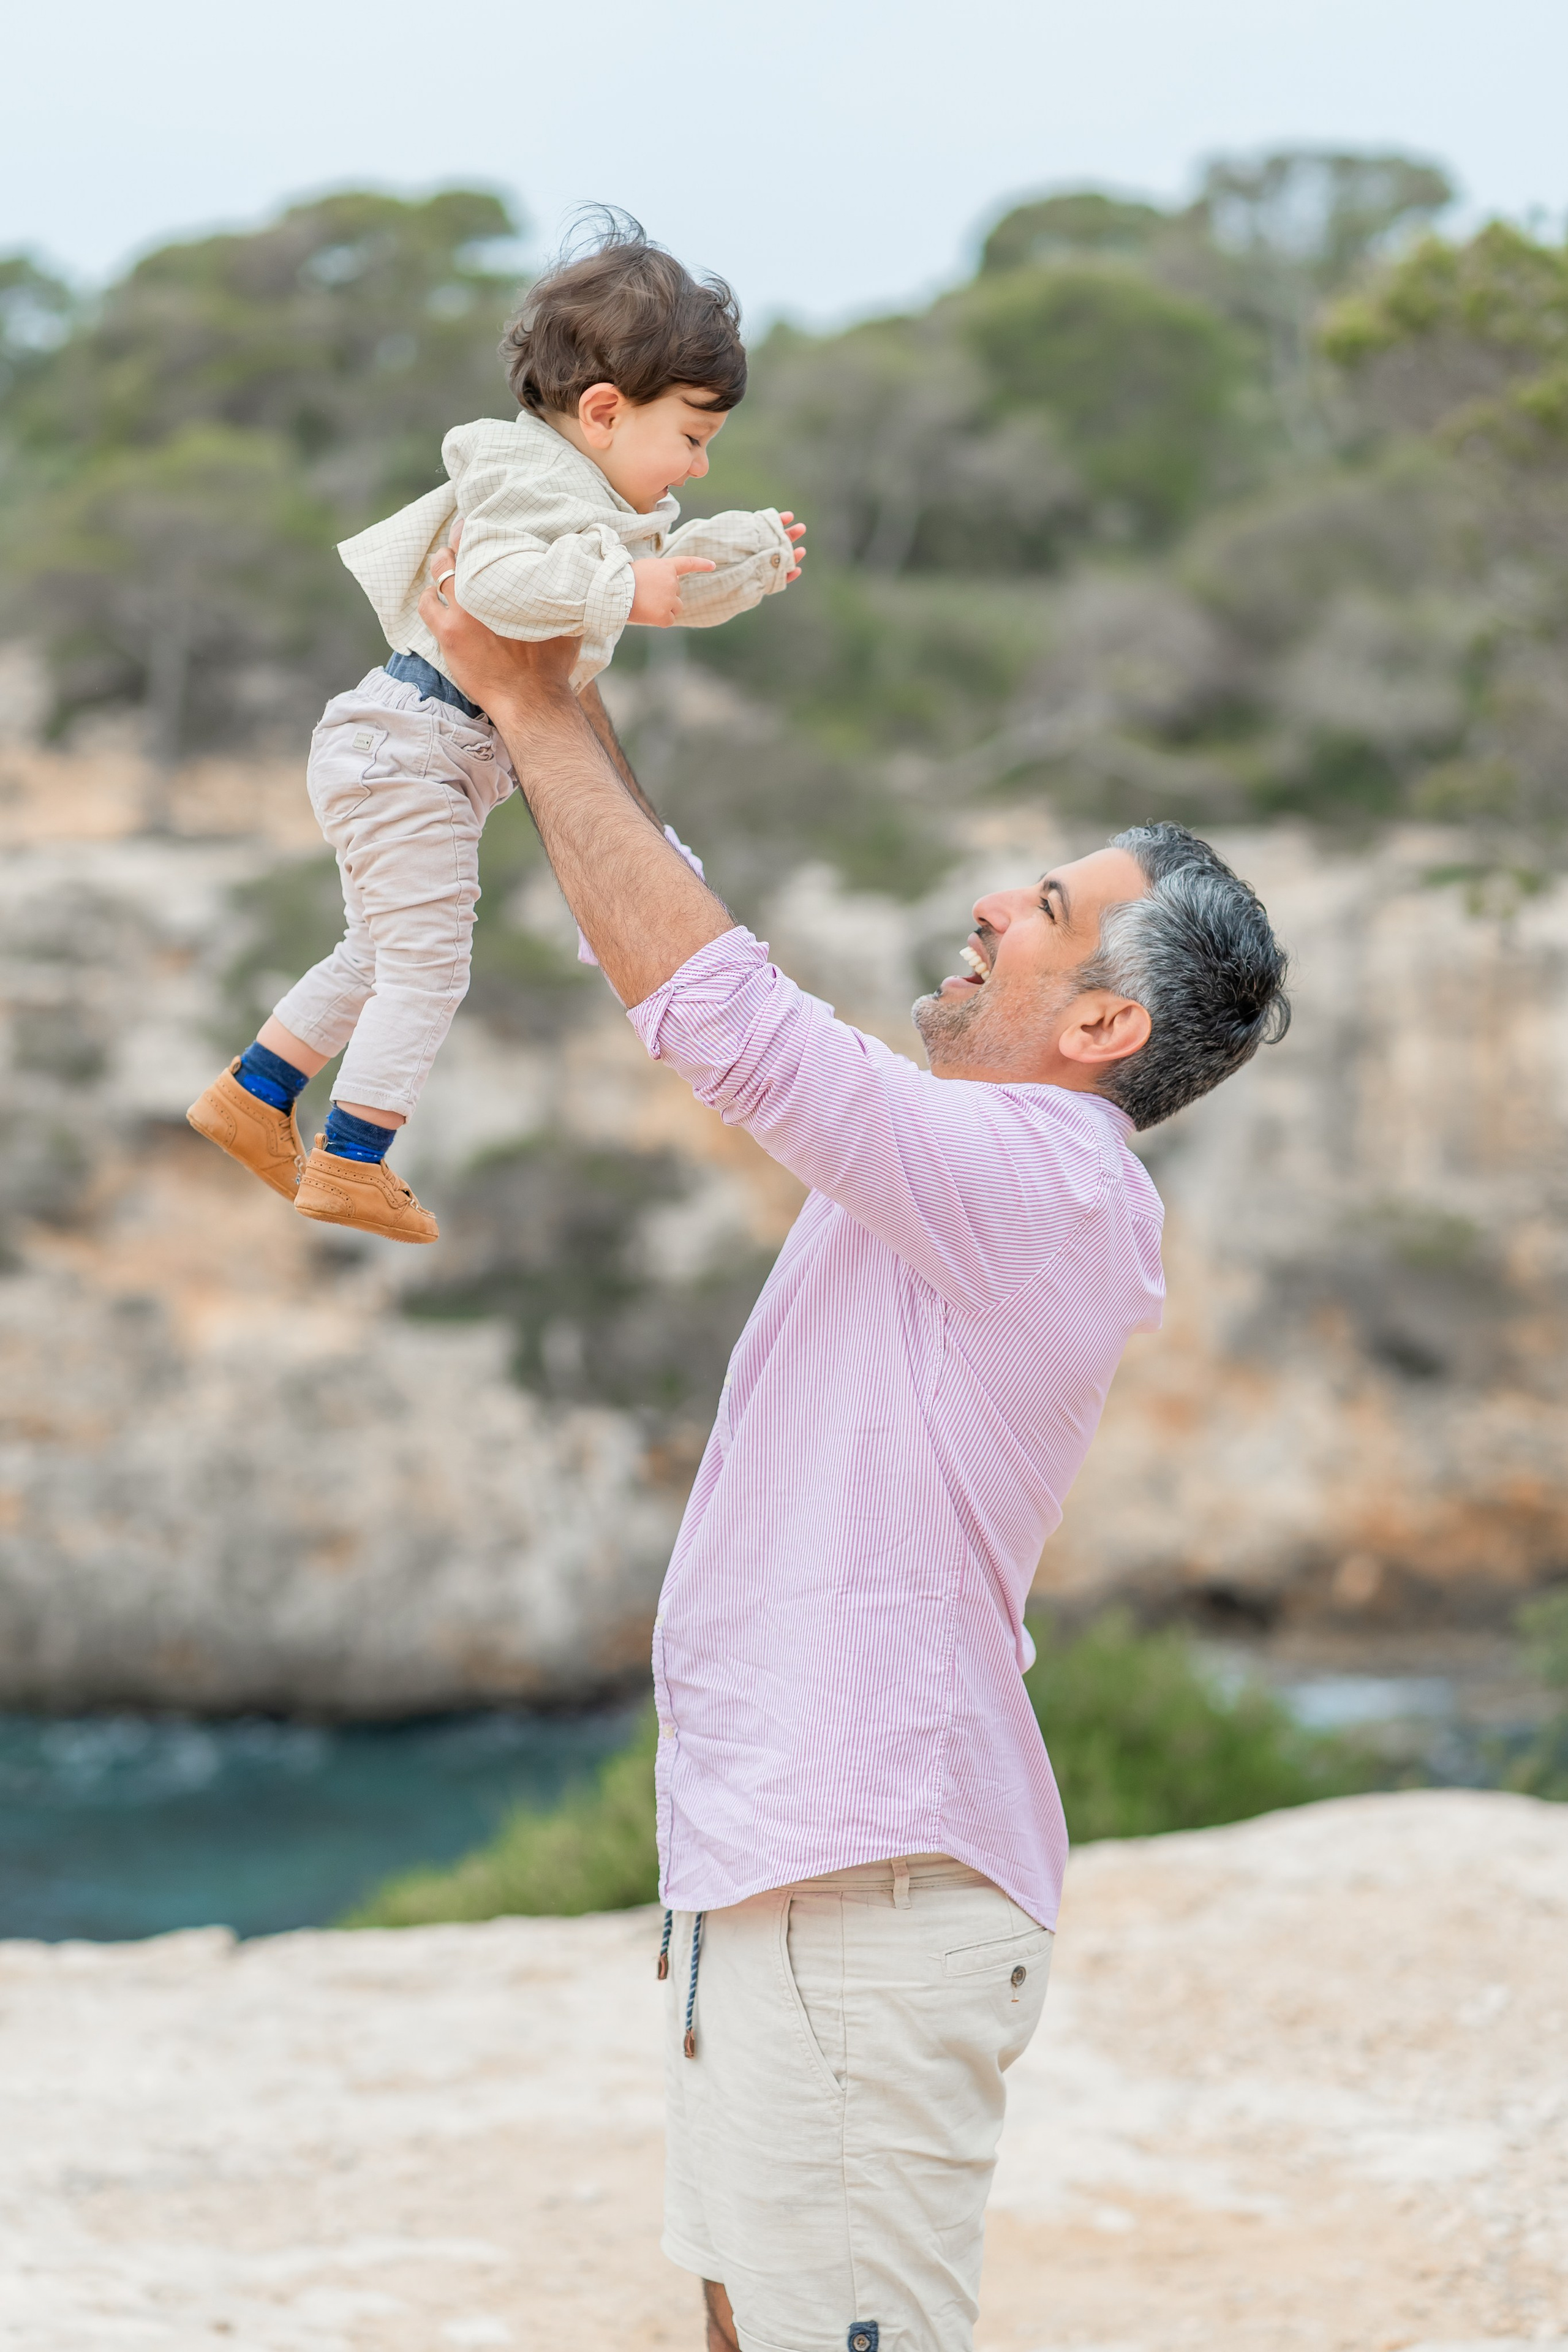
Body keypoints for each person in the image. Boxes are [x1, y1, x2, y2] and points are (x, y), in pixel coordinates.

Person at [417, 549, 1290, 2352]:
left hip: (867, 1894)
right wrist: (557, 703)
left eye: (1045, 907)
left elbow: (726, 1025)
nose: (990, 903)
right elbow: (678, 940)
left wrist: (523, 709)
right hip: (790, 1871)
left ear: (1103, 1026)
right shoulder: (954, 1158)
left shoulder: (1041, 1179)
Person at [185, 217, 805, 1242]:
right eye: (693, 438)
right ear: (604, 411)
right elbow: (499, 586)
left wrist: (735, 565)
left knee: (377, 951)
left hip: (410, 747)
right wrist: (631, 586)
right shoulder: (527, 479)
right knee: (431, 967)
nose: (698, 468)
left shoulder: (587, 493)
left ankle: (252, 1098)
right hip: (413, 745)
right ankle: (353, 1160)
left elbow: (644, 591)